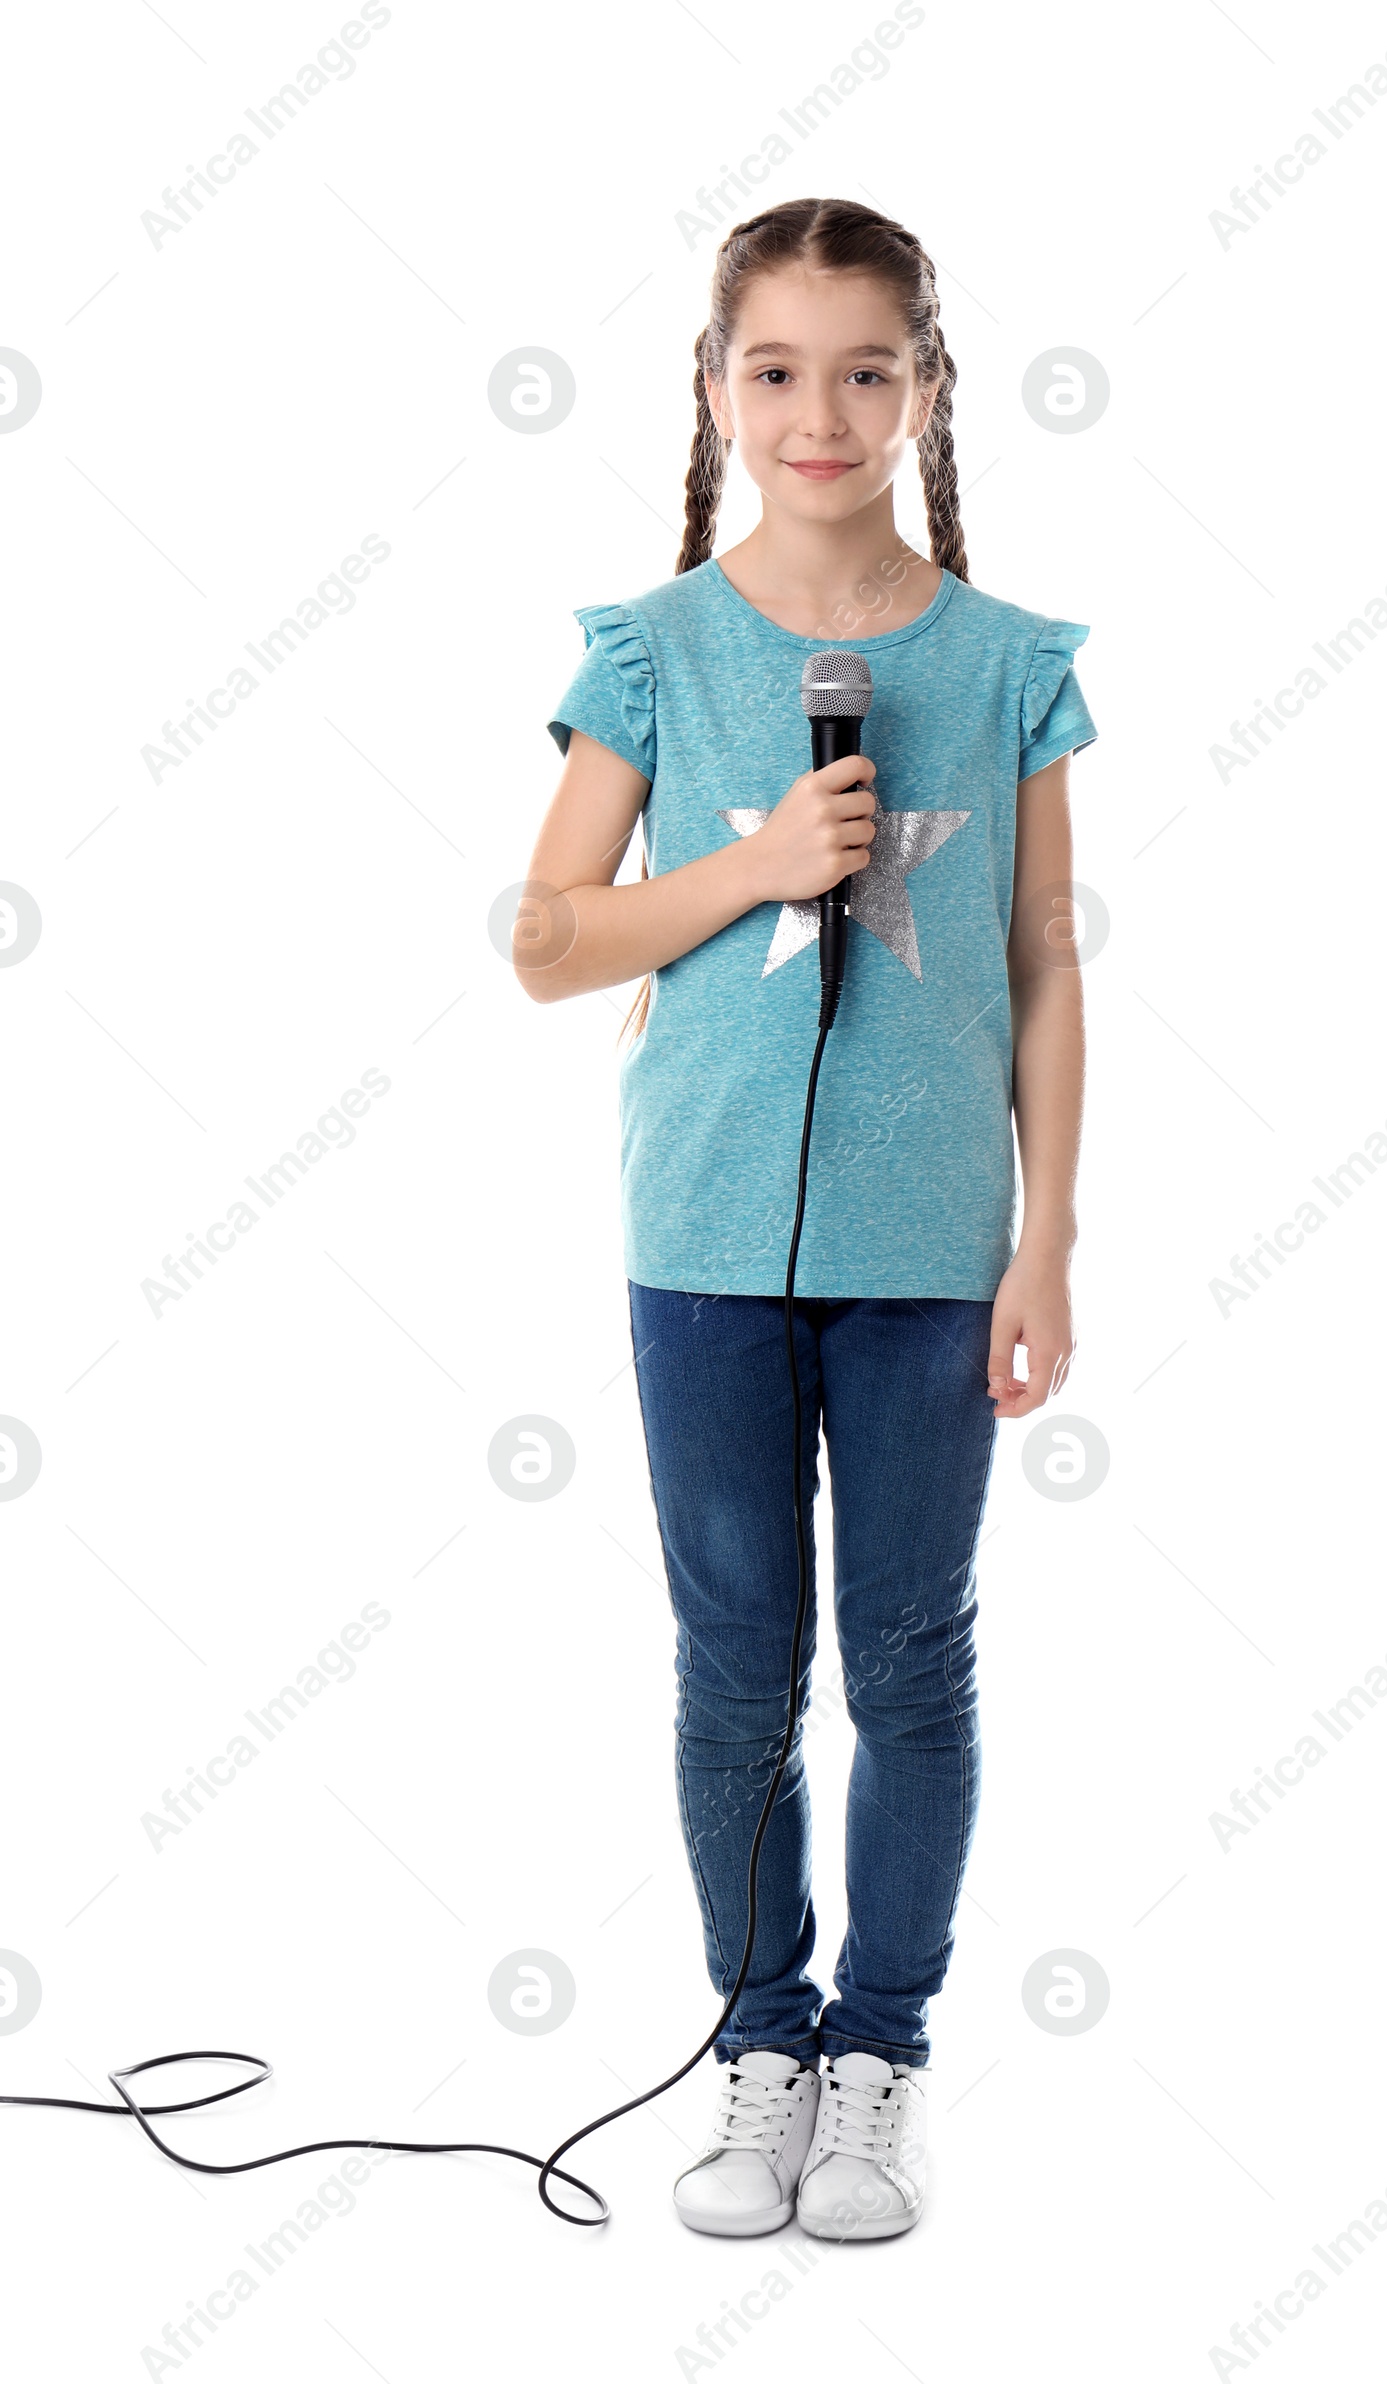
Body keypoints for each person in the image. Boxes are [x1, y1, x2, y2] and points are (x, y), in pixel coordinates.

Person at [517, 197, 1095, 2242]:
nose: (819, 410)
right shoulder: (650, 652)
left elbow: (1038, 957)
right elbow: (547, 938)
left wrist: (1046, 1240)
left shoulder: (1007, 663)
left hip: (931, 1245)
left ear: (924, 390)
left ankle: (878, 2059)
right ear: (712, 389)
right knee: (732, 1657)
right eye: (775, 368)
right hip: (700, 1241)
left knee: (910, 1655)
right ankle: (757, 2041)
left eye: (866, 368)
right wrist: (758, 860)